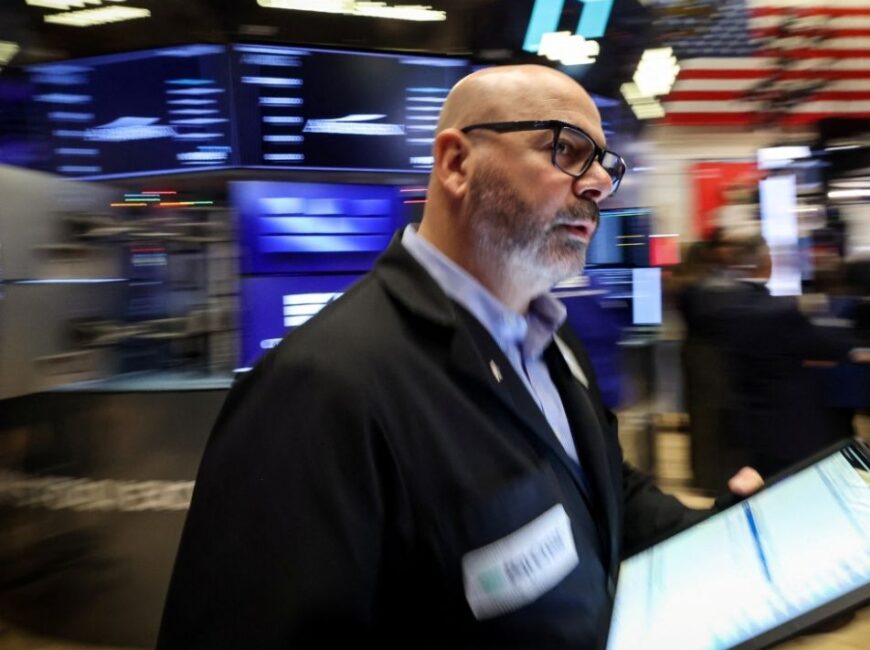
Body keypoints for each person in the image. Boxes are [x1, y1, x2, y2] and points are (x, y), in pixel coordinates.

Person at [156, 65, 762, 649]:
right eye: (569, 150)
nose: (599, 183)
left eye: (604, 163)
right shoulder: (319, 388)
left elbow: (601, 494)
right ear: (456, 163)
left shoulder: (551, 337)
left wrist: (726, 538)